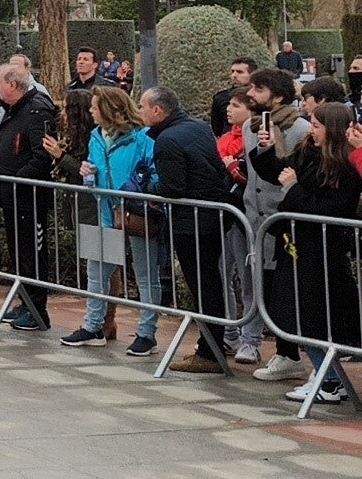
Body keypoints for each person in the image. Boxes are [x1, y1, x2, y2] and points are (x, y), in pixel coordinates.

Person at [252, 102, 362, 404]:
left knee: (314, 318)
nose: (310, 129)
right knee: (296, 315)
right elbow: (279, 172)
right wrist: (267, 150)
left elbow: (327, 209)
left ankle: (328, 380)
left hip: (320, 251)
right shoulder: (308, 152)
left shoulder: (343, 168)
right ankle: (327, 377)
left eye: (315, 124)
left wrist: (293, 188)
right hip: (295, 245)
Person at [142, 86, 239, 374]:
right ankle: (212, 346)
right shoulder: (197, 127)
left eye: (143, 107)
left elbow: (173, 187)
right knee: (210, 282)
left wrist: (149, 187)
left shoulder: (168, 140)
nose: (140, 112)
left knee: (203, 285)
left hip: (193, 221)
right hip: (212, 216)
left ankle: (210, 351)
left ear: (158, 110)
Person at [62, 87, 163, 354]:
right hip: (104, 211)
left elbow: (154, 173)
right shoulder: (96, 136)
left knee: (145, 275)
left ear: (109, 110)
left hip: (137, 213)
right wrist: (88, 174)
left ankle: (146, 333)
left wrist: (137, 189)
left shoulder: (143, 137)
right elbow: (95, 171)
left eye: (95, 107)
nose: (91, 111)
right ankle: (93, 326)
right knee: (96, 273)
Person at [241, 69, 309, 375]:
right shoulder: (248, 126)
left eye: (259, 88)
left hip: (285, 221)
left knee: (284, 289)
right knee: (260, 285)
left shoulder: (302, 129)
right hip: (253, 218)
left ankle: (289, 352)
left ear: (278, 96)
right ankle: (272, 347)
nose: (250, 93)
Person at [0, 62, 57, 331]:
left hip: (29, 198)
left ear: (13, 85)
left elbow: (42, 156)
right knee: (19, 254)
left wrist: (16, 181)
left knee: (33, 256)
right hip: (12, 197)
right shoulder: (14, 110)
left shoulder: (37, 111)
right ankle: (25, 301)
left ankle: (37, 309)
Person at [210, 58, 257, 138]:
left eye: (240, 72)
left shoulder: (262, 96)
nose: (234, 75)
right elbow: (217, 127)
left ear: (252, 74)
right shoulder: (221, 98)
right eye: (232, 71)